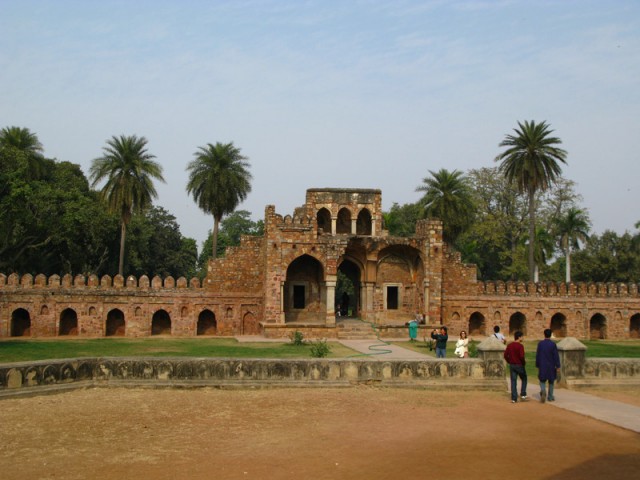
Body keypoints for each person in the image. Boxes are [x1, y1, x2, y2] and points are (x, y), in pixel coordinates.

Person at [536, 328, 561, 403]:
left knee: (542, 380)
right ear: (550, 335)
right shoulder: (553, 344)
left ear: (544, 334)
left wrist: (537, 364)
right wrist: (558, 366)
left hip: (542, 364)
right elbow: (556, 356)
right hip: (551, 365)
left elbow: (538, 355)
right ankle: (550, 396)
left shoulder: (540, 344)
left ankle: (543, 390)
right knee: (551, 381)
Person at [504, 330, 527, 403]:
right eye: (522, 337)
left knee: (513, 381)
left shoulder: (510, 345)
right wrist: (523, 363)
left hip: (512, 365)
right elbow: (521, 356)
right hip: (519, 365)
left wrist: (509, 361)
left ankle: (514, 398)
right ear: (519, 337)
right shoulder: (520, 346)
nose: (523, 338)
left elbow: (505, 355)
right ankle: (523, 394)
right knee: (524, 378)